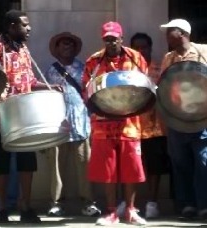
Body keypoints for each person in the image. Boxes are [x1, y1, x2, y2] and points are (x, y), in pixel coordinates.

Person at [0, 9, 53, 223]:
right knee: (1, 165)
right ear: (12, 26)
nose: (29, 28)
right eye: (24, 24)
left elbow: (29, 81)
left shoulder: (23, 49)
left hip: (25, 117)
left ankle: (26, 207)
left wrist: (48, 87)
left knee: (26, 163)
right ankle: (2, 209)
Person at [82, 21, 148, 225]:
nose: (110, 43)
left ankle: (130, 210)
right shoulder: (94, 61)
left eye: (114, 39)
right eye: (106, 39)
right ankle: (111, 212)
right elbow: (87, 90)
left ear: (121, 38)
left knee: (131, 169)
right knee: (108, 171)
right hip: (103, 124)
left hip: (129, 123)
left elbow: (145, 86)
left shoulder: (135, 58)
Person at [43, 32, 101, 217]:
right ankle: (56, 203)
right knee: (56, 167)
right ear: (57, 48)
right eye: (63, 44)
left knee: (85, 164)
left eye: (70, 44)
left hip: (81, 124)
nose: (67, 47)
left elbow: (91, 94)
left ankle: (89, 202)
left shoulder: (84, 68)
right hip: (57, 125)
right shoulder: (50, 71)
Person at [159, 18, 207, 220]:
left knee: (204, 162)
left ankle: (204, 205)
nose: (166, 35)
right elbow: (163, 87)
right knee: (180, 163)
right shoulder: (168, 58)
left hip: (203, 117)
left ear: (182, 33)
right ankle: (186, 205)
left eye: (169, 31)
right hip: (177, 118)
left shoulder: (204, 51)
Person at [130, 32, 170, 219]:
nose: (140, 51)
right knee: (131, 167)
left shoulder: (160, 69)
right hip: (131, 127)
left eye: (144, 47)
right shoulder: (126, 71)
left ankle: (152, 203)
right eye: (136, 47)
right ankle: (129, 203)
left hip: (156, 127)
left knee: (154, 167)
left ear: (150, 48)